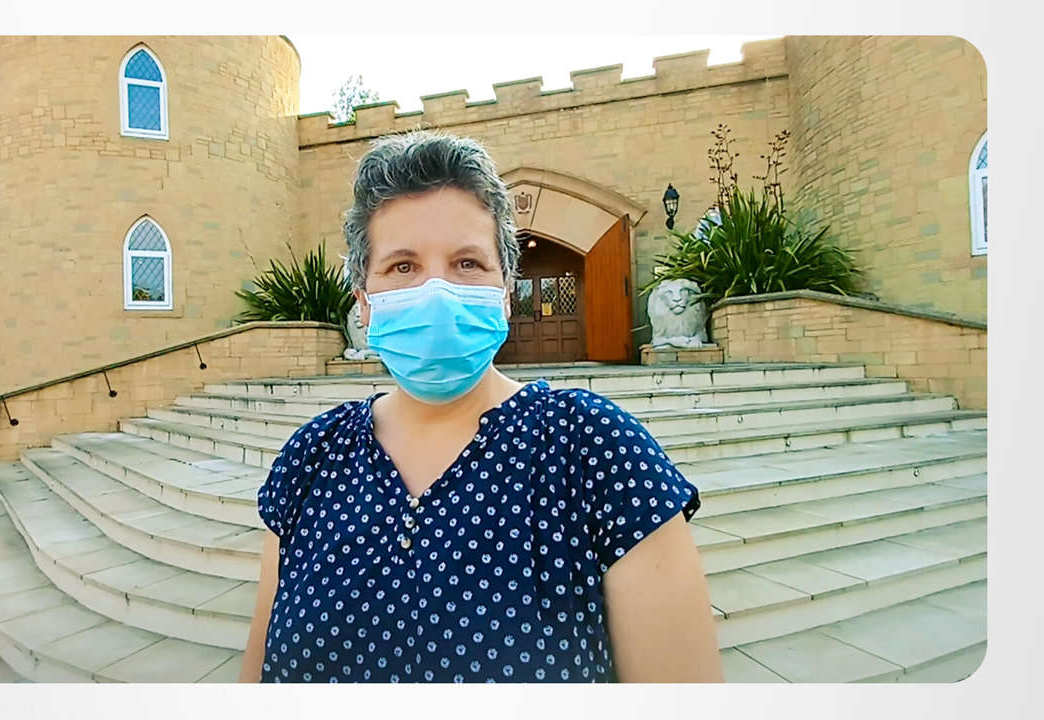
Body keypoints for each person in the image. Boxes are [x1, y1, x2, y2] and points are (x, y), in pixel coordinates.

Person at [238, 129, 721, 683]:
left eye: (467, 263)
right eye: (402, 267)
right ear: (363, 303)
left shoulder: (594, 450)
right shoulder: (312, 457)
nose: (437, 292)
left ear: (507, 291)